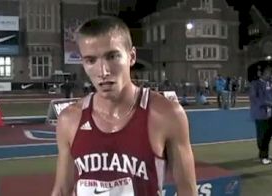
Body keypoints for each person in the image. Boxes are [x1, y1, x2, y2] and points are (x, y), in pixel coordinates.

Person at [51, 16, 197, 196]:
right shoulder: (69, 119)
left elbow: (188, 190)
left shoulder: (167, 114)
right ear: (83, 63)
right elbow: (62, 190)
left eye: (112, 56)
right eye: (91, 60)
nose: (103, 71)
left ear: (132, 56)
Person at [249, 66, 272, 165]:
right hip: (260, 113)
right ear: (266, 73)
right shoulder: (255, 84)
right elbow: (254, 99)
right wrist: (269, 103)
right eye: (271, 74)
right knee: (262, 136)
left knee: (269, 134)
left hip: (271, 113)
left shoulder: (271, 83)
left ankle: (265, 153)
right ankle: (263, 156)